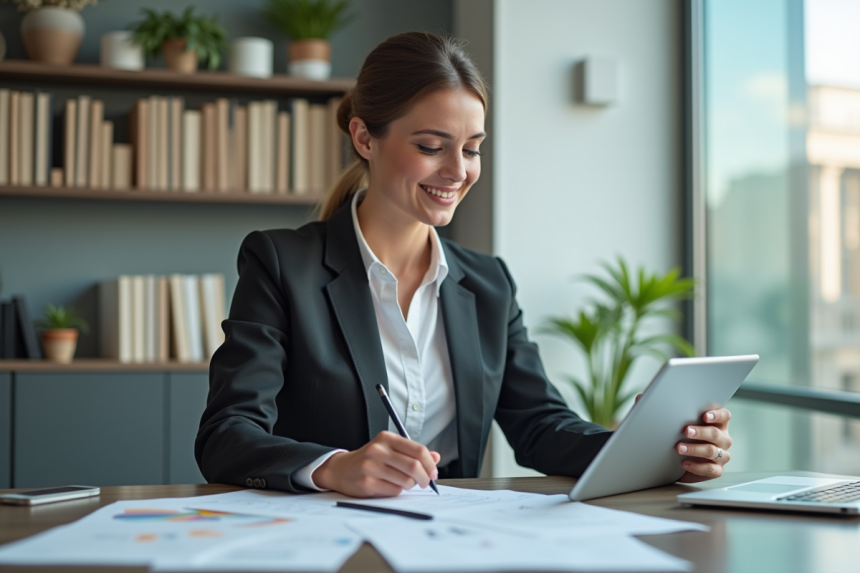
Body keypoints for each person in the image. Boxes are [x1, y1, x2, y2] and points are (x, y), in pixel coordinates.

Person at [195, 31, 733, 498]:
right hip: (322, 539)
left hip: (449, 538)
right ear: (364, 138)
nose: (457, 171)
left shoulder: (488, 283)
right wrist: (335, 467)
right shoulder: (282, 263)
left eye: (472, 149)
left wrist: (649, 448)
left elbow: (540, 426)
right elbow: (227, 434)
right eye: (432, 146)